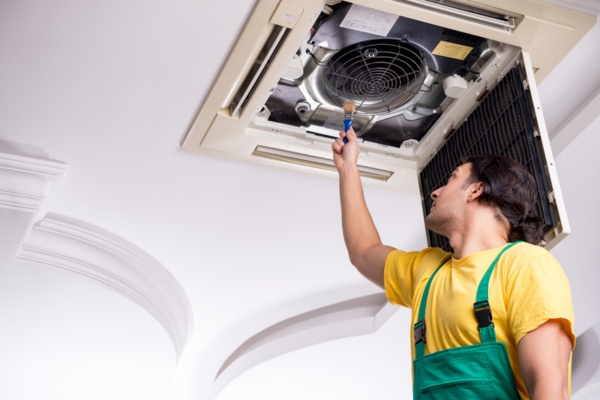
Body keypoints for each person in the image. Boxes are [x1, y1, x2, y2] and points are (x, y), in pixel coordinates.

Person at [332, 127, 575, 400]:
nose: (434, 192)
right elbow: (364, 251)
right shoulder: (428, 271)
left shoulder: (525, 264)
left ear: (475, 190)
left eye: (451, 178)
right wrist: (347, 168)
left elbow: (550, 390)